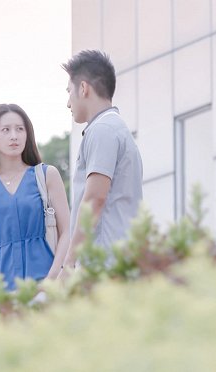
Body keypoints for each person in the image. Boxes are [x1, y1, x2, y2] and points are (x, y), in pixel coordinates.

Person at [0, 103, 71, 310]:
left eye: (20, 129)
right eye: (6, 130)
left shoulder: (46, 175)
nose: (14, 136)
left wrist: (52, 279)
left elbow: (67, 230)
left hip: (43, 286)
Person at [59, 50, 143, 279]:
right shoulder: (115, 129)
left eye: (69, 92)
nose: (68, 103)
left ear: (83, 88)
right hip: (120, 258)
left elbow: (95, 199)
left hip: (105, 261)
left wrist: (69, 262)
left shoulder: (102, 131)